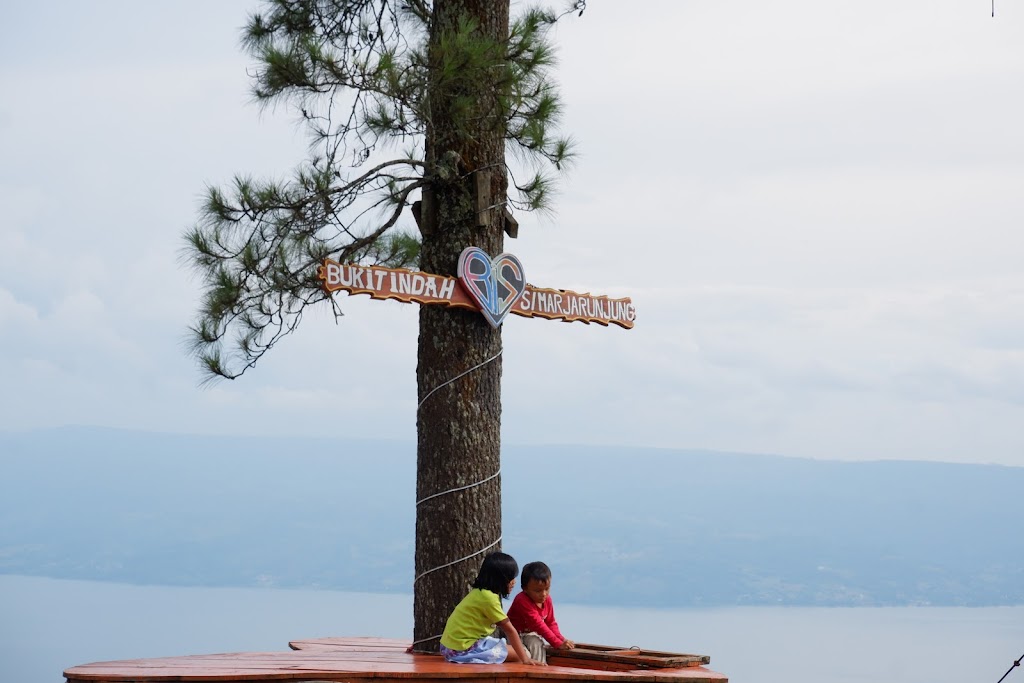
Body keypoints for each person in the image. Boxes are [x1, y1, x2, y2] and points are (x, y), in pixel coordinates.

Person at [439, 552, 543, 665]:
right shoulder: (489, 598)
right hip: (461, 649)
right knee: (521, 655)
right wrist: (525, 659)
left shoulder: (480, 592)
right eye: (511, 578)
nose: (514, 582)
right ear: (500, 579)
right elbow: (510, 630)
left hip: (450, 646)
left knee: (516, 652)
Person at [506, 561, 575, 664]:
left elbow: (550, 623)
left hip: (529, 634)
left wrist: (562, 639)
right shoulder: (522, 600)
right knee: (523, 655)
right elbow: (538, 624)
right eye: (538, 591)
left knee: (537, 643)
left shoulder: (547, 600)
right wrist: (557, 643)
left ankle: (539, 668)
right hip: (513, 634)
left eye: (547, 589)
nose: (544, 594)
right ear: (525, 589)